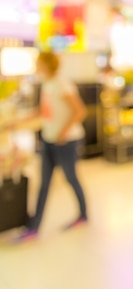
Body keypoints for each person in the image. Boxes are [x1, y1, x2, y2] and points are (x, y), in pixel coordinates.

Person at [14, 51, 88, 242]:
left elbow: (80, 111)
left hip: (66, 141)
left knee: (71, 178)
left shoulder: (63, 84)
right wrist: (17, 121)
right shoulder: (47, 83)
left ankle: (83, 215)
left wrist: (63, 132)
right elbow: (43, 111)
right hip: (48, 139)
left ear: (46, 64)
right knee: (44, 184)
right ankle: (34, 227)